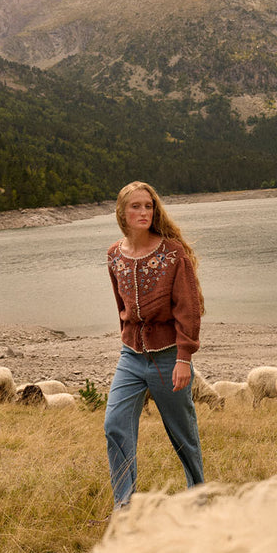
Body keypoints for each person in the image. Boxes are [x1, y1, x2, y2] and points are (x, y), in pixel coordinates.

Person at [103, 181, 205, 512]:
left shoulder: (173, 253)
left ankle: (198, 496)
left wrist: (184, 358)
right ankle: (124, 507)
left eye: (148, 206)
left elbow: (189, 309)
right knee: (114, 424)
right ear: (122, 212)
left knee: (182, 433)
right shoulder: (114, 255)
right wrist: (126, 339)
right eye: (136, 206)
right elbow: (120, 305)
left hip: (167, 357)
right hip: (130, 357)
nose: (143, 212)